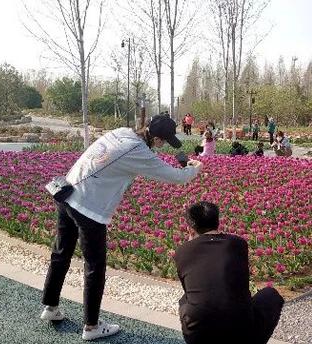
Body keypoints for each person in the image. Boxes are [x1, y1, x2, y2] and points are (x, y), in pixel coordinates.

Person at [40, 115, 203, 340]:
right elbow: (175, 177)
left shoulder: (121, 132)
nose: (164, 144)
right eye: (163, 140)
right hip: (88, 207)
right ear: (155, 138)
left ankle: (50, 307)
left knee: (61, 254)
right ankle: (92, 326)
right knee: (95, 267)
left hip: (66, 192)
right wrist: (194, 169)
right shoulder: (138, 151)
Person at [174, 202, 284, 344]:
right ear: (217, 222)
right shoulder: (238, 244)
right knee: (271, 295)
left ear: (190, 228)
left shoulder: (182, 251)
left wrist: (191, 241)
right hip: (242, 333)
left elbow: (190, 288)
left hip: (198, 336)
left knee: (186, 298)